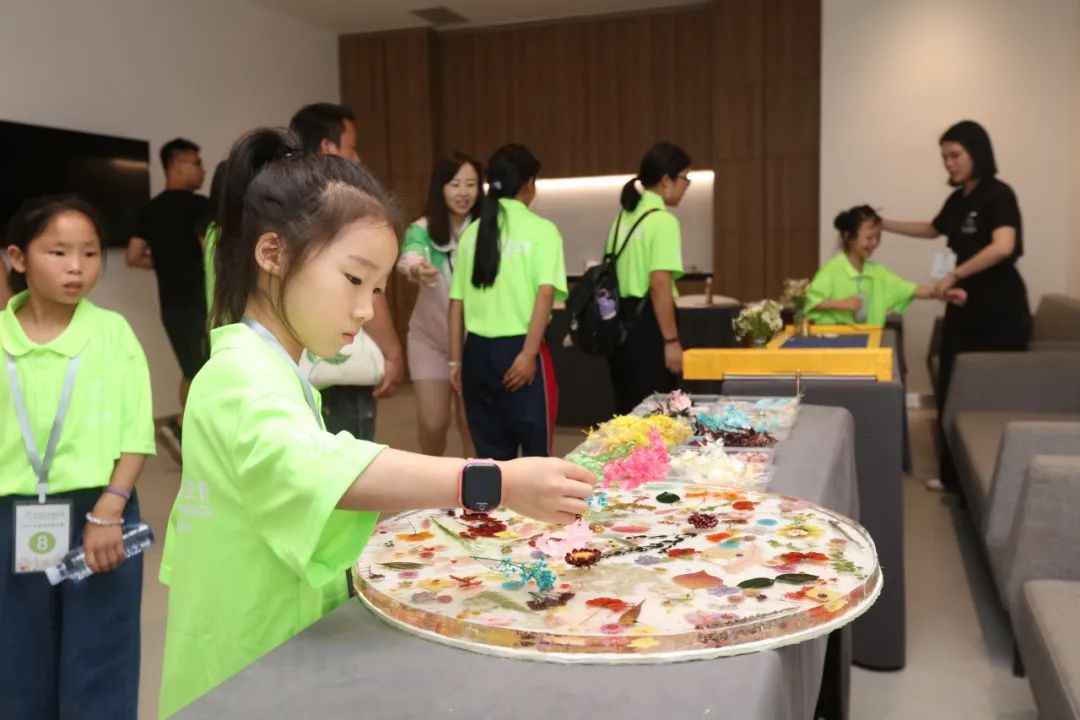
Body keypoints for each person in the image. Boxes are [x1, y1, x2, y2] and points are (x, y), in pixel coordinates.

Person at [157, 129, 594, 716]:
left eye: (378, 288)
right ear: (272, 254)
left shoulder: (272, 367)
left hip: (278, 639)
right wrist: (497, 481)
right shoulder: (238, 375)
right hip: (244, 664)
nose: (365, 309)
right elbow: (323, 469)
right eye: (353, 279)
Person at [1, 196, 155, 718]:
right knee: (15, 659)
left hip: (101, 511)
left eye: (90, 254)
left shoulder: (112, 333)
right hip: (11, 515)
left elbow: (136, 431)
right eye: (58, 252)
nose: (77, 267)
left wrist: (109, 510)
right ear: (18, 258)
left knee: (101, 657)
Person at [881, 120, 1030, 492]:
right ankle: (953, 477)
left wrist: (955, 273)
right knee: (952, 382)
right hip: (963, 303)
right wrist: (884, 224)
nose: (948, 163)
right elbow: (933, 228)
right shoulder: (959, 198)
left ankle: (995, 477)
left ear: (977, 152)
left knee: (989, 389)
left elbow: (1003, 246)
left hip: (999, 307)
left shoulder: (999, 195)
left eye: (955, 155)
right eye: (944, 157)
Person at [289, 102, 404, 440]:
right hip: (340, 364)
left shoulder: (283, 205)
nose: (358, 159)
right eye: (352, 148)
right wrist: (392, 352)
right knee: (348, 461)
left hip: (290, 360)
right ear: (328, 147)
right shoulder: (346, 210)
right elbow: (364, 284)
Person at [448, 144, 566, 460]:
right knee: (537, 456)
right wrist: (529, 354)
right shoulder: (543, 231)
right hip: (521, 351)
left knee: (491, 458)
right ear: (529, 183)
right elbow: (545, 294)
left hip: (476, 355)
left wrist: (455, 363)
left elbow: (456, 303)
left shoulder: (472, 233)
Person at [125, 137, 210, 457]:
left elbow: (133, 256)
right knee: (202, 371)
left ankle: (185, 429)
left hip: (171, 307)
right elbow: (210, 252)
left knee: (191, 369)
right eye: (197, 163)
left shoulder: (150, 209)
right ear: (177, 165)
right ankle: (185, 429)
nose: (202, 170)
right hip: (202, 303)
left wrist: (164, 264)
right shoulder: (199, 205)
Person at [397, 153, 481, 456]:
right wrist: (418, 269)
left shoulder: (485, 228)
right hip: (429, 340)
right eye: (455, 184)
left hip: (474, 342)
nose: (463, 192)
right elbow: (408, 257)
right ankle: (432, 480)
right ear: (440, 188)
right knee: (433, 424)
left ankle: (476, 484)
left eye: (471, 184)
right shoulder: (422, 228)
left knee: (472, 425)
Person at [606, 142, 691, 415]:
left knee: (628, 413)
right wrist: (671, 341)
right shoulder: (663, 221)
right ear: (666, 180)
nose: (686, 186)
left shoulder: (623, 218)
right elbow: (659, 285)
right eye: (685, 178)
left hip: (619, 329)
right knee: (658, 414)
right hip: (649, 328)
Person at [807, 205, 967, 325]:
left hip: (870, 347)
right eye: (869, 238)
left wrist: (942, 292)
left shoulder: (877, 273)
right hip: (837, 350)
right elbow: (810, 303)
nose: (874, 243)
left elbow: (909, 289)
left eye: (878, 237)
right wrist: (841, 304)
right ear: (849, 236)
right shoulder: (832, 270)